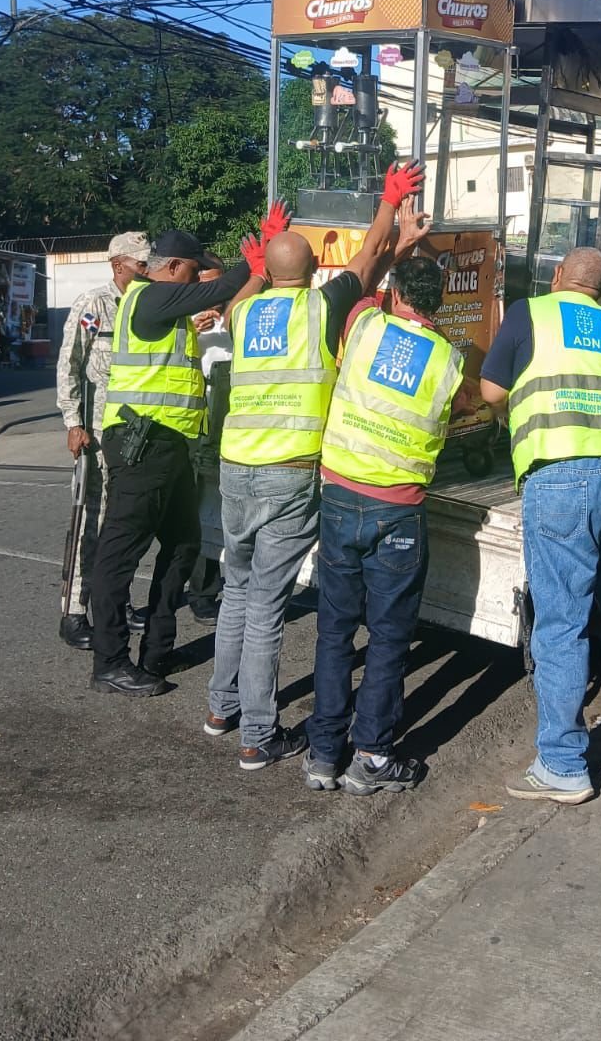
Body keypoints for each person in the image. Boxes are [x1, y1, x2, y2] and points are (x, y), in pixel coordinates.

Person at [207, 162, 424, 770]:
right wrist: (388, 204)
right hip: (288, 471)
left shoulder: (246, 314)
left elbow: (240, 302)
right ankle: (257, 734)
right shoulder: (320, 309)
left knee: (238, 591)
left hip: (235, 467)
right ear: (311, 272)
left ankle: (221, 707)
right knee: (266, 607)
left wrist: (255, 267)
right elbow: (368, 254)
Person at [480, 247, 601, 805]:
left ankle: (562, 765)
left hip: (561, 475)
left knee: (561, 623)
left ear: (558, 276)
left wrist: (507, 414)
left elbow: (492, 391)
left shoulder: (528, 312)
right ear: (599, 290)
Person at [304, 225, 464, 796]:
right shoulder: (449, 360)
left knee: (334, 632)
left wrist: (399, 240)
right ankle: (370, 756)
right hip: (398, 510)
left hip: (341, 496)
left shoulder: (366, 324)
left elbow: (363, 280)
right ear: (437, 304)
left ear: (397, 295)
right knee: (391, 637)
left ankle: (323, 753)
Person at [88, 227, 266, 696]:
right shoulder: (148, 297)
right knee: (119, 555)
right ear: (170, 268)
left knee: (185, 546)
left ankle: (156, 650)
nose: (194, 282)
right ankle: (109, 661)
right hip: (142, 445)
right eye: (190, 272)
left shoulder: (165, 308)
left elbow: (224, 302)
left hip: (170, 448)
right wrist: (258, 261)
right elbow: (221, 288)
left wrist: (255, 276)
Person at [55, 231, 150, 650]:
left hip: (130, 437)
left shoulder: (144, 305)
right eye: (141, 266)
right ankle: (74, 611)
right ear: (118, 266)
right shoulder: (95, 304)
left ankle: (115, 602)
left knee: (122, 525)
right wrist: (73, 421)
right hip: (94, 436)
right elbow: (69, 364)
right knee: (90, 522)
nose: (147, 272)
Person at [187, 253, 237, 625]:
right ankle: (195, 588)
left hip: (232, 433)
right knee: (190, 514)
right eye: (206, 287)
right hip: (193, 433)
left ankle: (210, 588)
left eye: (220, 286)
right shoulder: (180, 325)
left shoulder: (235, 323)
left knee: (222, 512)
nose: (214, 296)